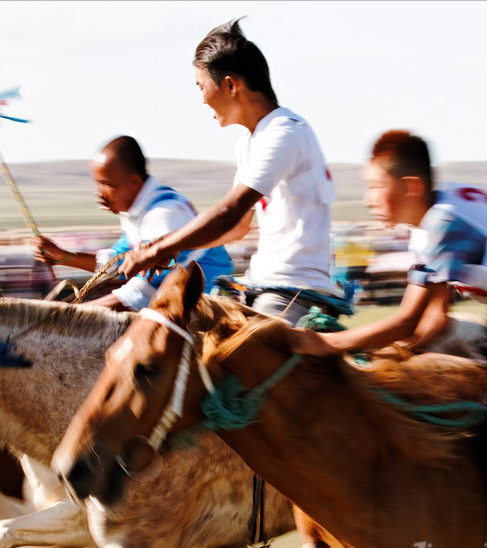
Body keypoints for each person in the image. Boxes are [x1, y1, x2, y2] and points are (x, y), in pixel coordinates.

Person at [289, 130, 487, 548]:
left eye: (372, 187)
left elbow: (406, 319)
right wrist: (390, 356)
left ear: (410, 187)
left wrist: (329, 344)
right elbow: (432, 321)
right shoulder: (435, 217)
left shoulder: (441, 225)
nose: (366, 201)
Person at [116, 18, 346, 325]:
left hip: (292, 290)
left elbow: (228, 211)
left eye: (202, 86)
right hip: (260, 284)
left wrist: (159, 247)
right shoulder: (251, 140)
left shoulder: (284, 132)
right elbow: (236, 227)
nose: (201, 98)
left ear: (230, 84)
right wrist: (166, 246)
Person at [35, 135, 233, 310]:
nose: (99, 193)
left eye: (106, 184)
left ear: (133, 183)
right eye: (97, 183)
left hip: (209, 311)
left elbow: (139, 294)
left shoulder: (163, 214)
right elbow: (116, 262)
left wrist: (64, 316)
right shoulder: (135, 212)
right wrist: (64, 257)